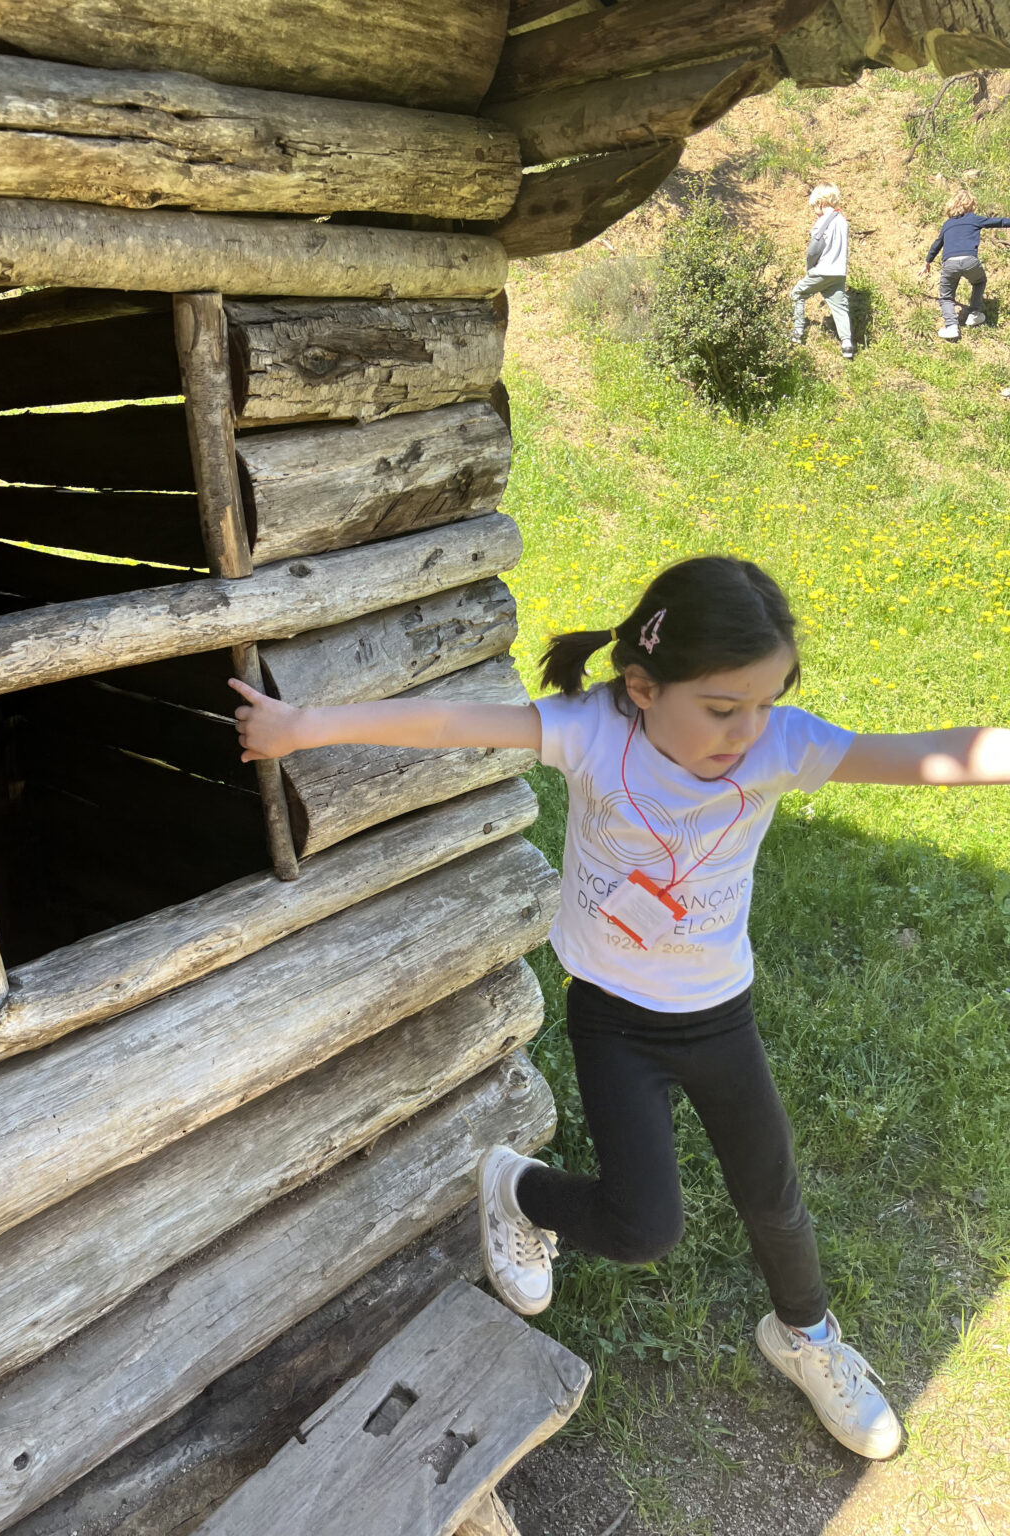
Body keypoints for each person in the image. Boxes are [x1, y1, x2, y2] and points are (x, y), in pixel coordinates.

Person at [229, 555, 1010, 1462]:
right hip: (615, 1021)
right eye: (722, 708)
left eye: (766, 703)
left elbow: (935, 755)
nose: (747, 731)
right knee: (645, 1228)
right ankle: (516, 1187)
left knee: (775, 1196)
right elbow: (449, 720)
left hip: (719, 1016)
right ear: (642, 687)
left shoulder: (782, 746)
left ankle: (805, 1336)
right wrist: (304, 726)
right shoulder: (592, 733)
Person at [923, 189, 1010, 341]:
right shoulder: (974, 219)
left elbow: (937, 244)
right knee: (979, 281)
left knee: (946, 297)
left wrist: (927, 261)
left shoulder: (947, 224)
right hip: (970, 261)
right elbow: (998, 221)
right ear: (971, 206)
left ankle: (951, 326)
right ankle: (974, 314)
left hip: (950, 263)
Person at [791, 184, 855, 360]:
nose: (814, 212)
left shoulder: (823, 222)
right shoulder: (842, 221)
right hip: (839, 272)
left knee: (797, 293)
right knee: (840, 307)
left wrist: (810, 266)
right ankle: (847, 344)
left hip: (822, 270)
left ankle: (797, 331)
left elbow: (814, 249)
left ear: (820, 203)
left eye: (814, 207)